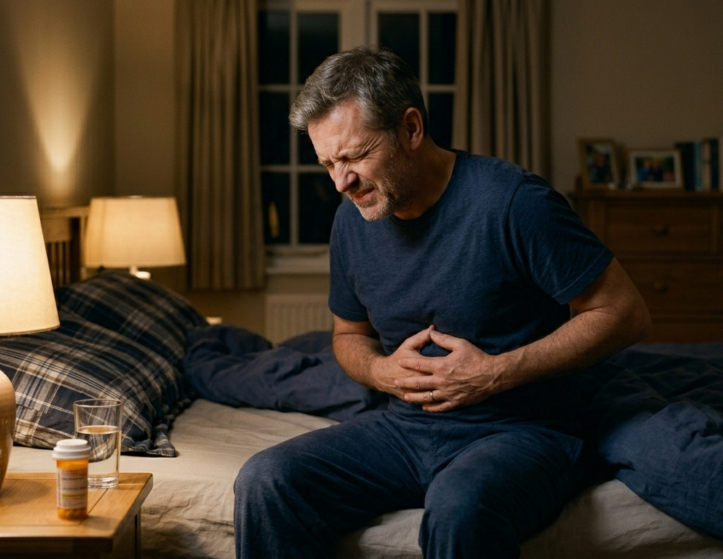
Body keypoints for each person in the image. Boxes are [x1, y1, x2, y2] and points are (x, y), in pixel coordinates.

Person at [234, 47, 651, 558]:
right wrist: (382, 372)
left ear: (411, 128)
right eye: (327, 163)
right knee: (265, 480)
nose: (341, 182)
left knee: (460, 507)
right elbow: (348, 337)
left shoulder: (514, 202)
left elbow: (624, 313)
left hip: (520, 432)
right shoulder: (351, 221)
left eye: (354, 156)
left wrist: (496, 372)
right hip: (403, 431)